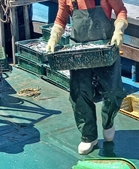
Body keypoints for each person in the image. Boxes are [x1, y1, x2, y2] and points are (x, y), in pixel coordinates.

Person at [45, 0, 128, 155]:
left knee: (113, 91)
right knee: (79, 94)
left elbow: (121, 11)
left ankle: (108, 122)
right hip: (78, 52)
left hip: (105, 48)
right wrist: (53, 37)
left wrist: (119, 30)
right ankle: (89, 136)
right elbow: (61, 19)